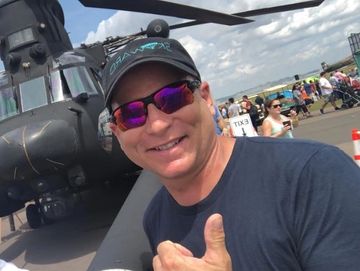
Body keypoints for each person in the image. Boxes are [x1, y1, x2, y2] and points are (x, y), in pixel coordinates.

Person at [103, 37, 360, 270]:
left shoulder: (314, 175)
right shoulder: (155, 217)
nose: (157, 124)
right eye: (131, 114)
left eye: (173, 97)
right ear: (117, 133)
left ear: (206, 97)